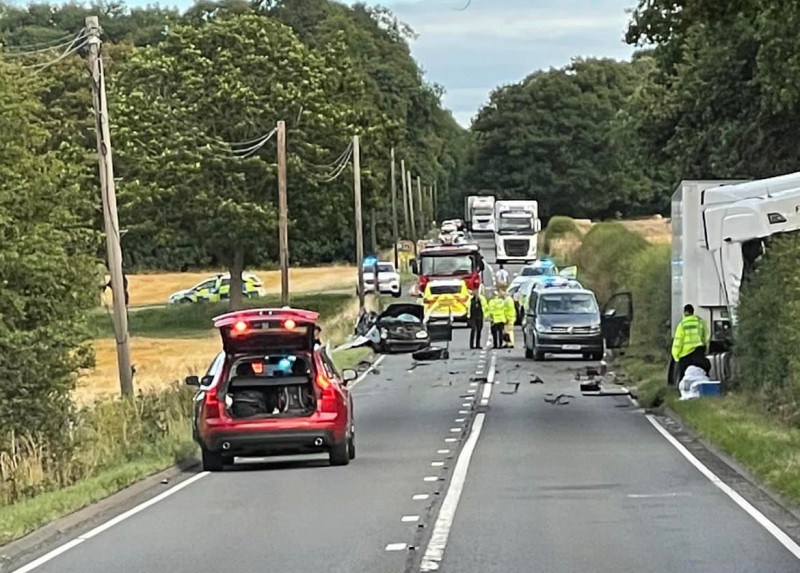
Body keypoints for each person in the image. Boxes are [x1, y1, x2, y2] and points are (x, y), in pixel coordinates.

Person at [672, 304, 711, 380]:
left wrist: (676, 356)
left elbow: (678, 341)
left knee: (683, 378)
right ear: (693, 312)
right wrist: (705, 348)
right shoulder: (700, 322)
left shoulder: (682, 325)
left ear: (684, 313)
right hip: (698, 352)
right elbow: (706, 336)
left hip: (685, 355)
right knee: (703, 372)